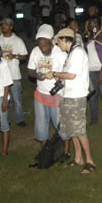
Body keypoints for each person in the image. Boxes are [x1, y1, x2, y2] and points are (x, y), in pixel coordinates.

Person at [46, 28, 96, 174]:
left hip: (76, 96)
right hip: (67, 95)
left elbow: (72, 75)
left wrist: (55, 73)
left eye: (58, 42)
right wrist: (59, 76)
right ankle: (78, 158)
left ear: (64, 39)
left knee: (79, 130)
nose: (57, 45)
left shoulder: (78, 53)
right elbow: (69, 74)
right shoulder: (71, 54)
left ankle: (90, 161)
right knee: (71, 129)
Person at [27, 24, 70, 155]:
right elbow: (30, 70)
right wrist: (36, 76)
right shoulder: (35, 51)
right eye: (40, 46)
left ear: (52, 40)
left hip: (56, 94)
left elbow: (67, 73)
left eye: (45, 45)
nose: (43, 48)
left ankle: (66, 151)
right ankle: (44, 151)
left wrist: (57, 77)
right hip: (40, 94)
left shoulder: (60, 53)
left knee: (61, 124)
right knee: (41, 125)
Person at [0, 18, 28, 127]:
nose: (3, 26)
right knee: (4, 98)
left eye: (6, 24)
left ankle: (19, 119)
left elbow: (24, 56)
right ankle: (5, 119)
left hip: (14, 74)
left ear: (11, 27)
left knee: (16, 98)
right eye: (2, 24)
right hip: (1, 74)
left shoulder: (17, 40)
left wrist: (14, 56)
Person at [85, 16, 102, 125]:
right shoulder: (90, 36)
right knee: (93, 95)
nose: (88, 25)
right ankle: (94, 119)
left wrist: (101, 73)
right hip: (91, 69)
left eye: (90, 23)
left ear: (95, 24)